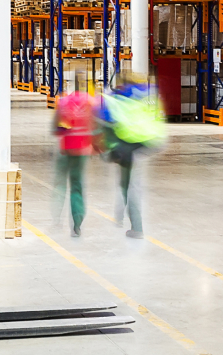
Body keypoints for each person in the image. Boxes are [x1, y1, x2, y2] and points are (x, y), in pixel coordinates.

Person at [102, 72, 166, 239]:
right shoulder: (147, 94)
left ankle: (137, 228)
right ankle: (120, 215)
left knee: (131, 187)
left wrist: (108, 150)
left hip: (128, 145)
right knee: (127, 182)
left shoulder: (118, 99)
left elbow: (107, 122)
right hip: (148, 141)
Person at [54, 80, 96, 237]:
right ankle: (77, 224)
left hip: (67, 149)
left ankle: (56, 217)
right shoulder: (90, 102)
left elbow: (58, 128)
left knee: (60, 184)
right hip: (82, 149)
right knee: (77, 186)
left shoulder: (64, 102)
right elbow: (96, 124)